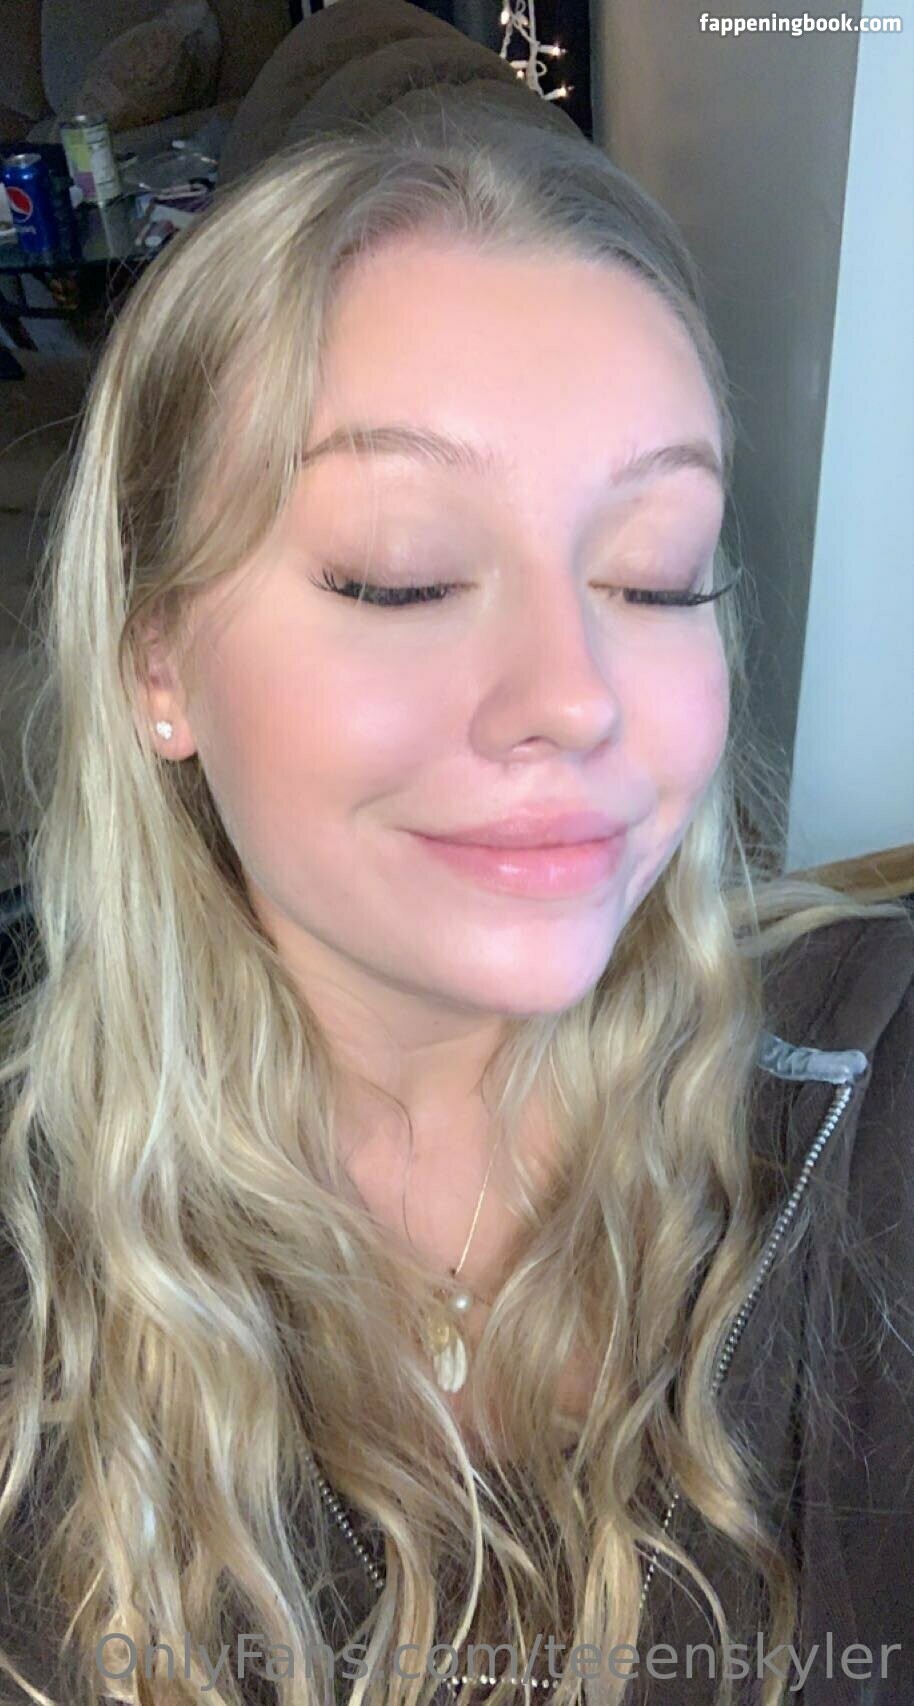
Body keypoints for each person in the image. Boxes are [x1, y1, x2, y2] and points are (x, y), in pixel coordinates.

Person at [0, 83, 911, 1706]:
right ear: (158, 659)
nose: (573, 694)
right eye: (400, 572)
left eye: (655, 573)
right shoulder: (35, 1291)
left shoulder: (873, 1091)